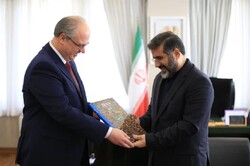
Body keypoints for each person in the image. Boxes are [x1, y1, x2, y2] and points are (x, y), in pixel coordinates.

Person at [16, 16, 133, 166]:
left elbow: (72, 100)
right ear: (62, 38)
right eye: (80, 45)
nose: (83, 51)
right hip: (48, 152)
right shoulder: (43, 66)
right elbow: (63, 111)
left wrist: (95, 110)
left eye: (86, 45)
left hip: (68, 148)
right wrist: (107, 132)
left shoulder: (67, 60)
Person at [132, 31, 214, 166]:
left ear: (176, 53)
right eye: (154, 59)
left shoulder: (200, 82)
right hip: (158, 158)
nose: (156, 64)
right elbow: (153, 115)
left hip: (186, 160)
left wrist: (150, 140)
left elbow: (189, 126)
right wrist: (136, 122)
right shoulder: (160, 78)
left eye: (160, 58)